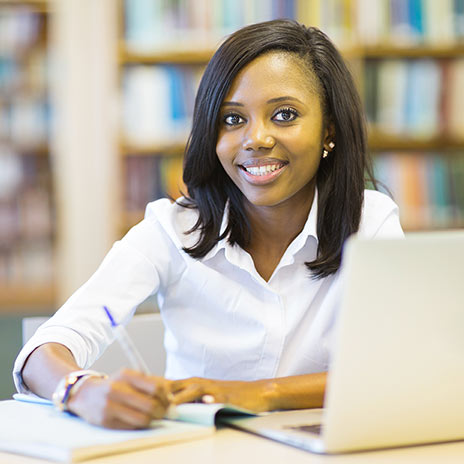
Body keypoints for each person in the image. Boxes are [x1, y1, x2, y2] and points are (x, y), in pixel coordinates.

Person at [14, 19, 403, 429]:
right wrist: (80, 389)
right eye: (233, 120)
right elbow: (46, 349)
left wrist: (256, 394)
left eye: (284, 115)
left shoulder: (370, 223)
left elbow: (398, 366)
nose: (255, 139)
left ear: (329, 130)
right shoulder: (172, 230)